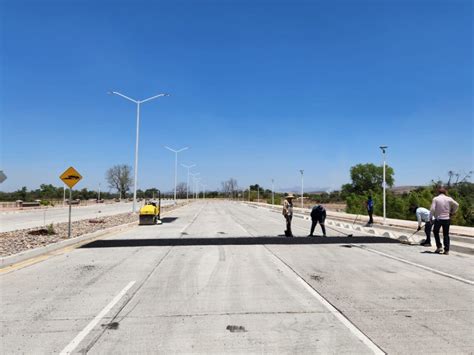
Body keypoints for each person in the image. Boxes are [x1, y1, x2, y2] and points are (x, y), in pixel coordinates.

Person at [430, 187, 459, 255]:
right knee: (446, 234)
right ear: (445, 192)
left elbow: (432, 209)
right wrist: (452, 212)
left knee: (435, 231)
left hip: (438, 219)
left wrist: (431, 217)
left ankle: (439, 246)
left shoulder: (436, 199)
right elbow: (457, 204)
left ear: (438, 192)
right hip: (447, 218)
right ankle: (447, 250)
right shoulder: (449, 198)